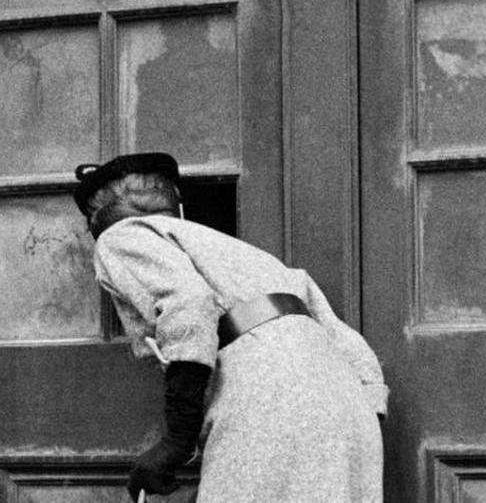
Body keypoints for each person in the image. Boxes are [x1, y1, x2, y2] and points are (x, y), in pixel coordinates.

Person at [72, 152, 387, 502]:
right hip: (350, 411)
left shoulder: (121, 236)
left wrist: (177, 440)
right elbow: (352, 347)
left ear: (100, 215)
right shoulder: (252, 258)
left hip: (271, 402)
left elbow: (188, 304)